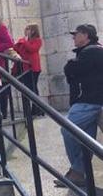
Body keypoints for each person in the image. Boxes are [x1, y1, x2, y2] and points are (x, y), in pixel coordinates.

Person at [55, 24, 103, 188]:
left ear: (86, 35)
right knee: (86, 140)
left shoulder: (92, 52)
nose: (73, 37)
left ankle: (77, 171)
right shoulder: (91, 52)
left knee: (68, 130)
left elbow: (72, 69)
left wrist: (70, 66)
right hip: (90, 101)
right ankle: (78, 173)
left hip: (88, 102)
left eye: (76, 34)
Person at [13, 24, 44, 116]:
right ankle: (30, 110)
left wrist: (23, 41)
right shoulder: (24, 41)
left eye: (28, 29)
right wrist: (20, 42)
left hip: (33, 68)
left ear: (33, 31)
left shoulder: (37, 40)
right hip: (24, 67)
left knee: (33, 88)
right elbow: (16, 49)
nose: (26, 31)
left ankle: (37, 109)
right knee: (27, 89)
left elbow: (31, 49)